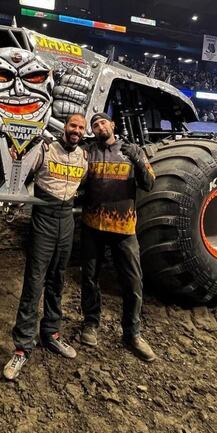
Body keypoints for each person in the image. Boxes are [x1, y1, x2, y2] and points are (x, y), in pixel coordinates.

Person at [3, 113, 88, 380]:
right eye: (73, 125)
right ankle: (22, 348)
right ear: (65, 127)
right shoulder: (45, 148)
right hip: (44, 217)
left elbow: (82, 185)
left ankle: (51, 333)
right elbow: (21, 174)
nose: (76, 130)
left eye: (81, 128)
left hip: (67, 218)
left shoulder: (84, 157)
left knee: (57, 280)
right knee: (34, 281)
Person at [79, 112, 156, 362]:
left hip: (124, 229)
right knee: (89, 278)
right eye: (95, 125)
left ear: (112, 125)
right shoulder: (88, 151)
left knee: (133, 283)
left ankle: (132, 333)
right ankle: (91, 323)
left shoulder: (131, 150)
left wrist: (139, 160)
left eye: (103, 122)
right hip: (92, 226)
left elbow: (149, 184)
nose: (99, 126)